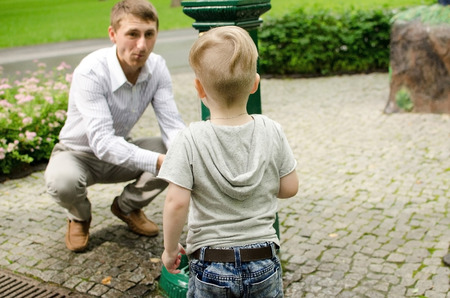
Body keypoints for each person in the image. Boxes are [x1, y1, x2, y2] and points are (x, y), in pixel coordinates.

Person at [158, 26, 299, 297]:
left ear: (199, 88)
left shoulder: (189, 139)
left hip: (212, 263)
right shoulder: (272, 130)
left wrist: (170, 250)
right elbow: (289, 187)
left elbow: (176, 202)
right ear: (255, 84)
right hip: (263, 261)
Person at [44, 0, 185, 252]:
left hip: (119, 150)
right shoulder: (91, 70)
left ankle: (127, 207)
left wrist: (184, 160)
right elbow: (101, 142)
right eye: (132, 34)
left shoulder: (158, 67)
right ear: (113, 34)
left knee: (178, 152)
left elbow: (172, 125)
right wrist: (159, 162)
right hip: (78, 155)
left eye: (149, 34)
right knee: (61, 181)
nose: (142, 45)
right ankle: (80, 217)